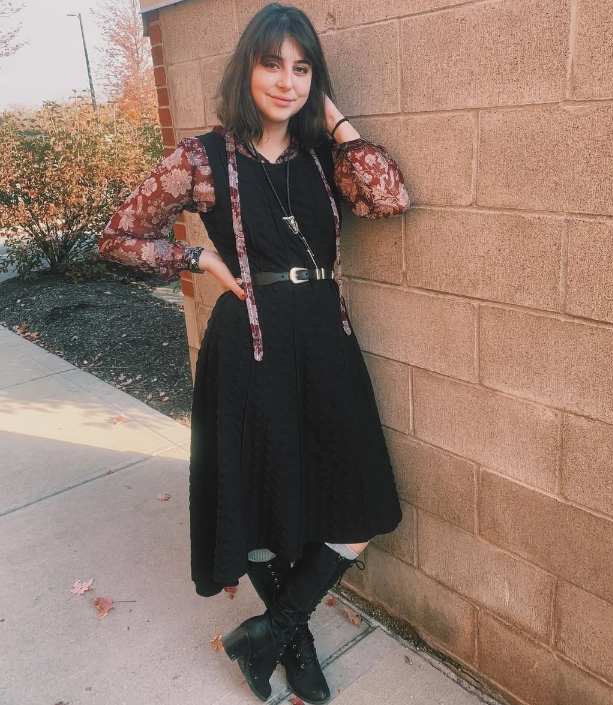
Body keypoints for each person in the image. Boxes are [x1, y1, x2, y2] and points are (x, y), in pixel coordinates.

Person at [98, 3, 410, 703]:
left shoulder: (324, 160)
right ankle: (291, 642)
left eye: (302, 68)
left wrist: (331, 115)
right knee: (269, 499)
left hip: (325, 345)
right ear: (247, 68)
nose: (286, 79)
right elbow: (117, 236)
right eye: (272, 63)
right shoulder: (203, 158)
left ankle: (269, 629)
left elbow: (390, 198)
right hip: (251, 348)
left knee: (364, 507)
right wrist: (197, 255)